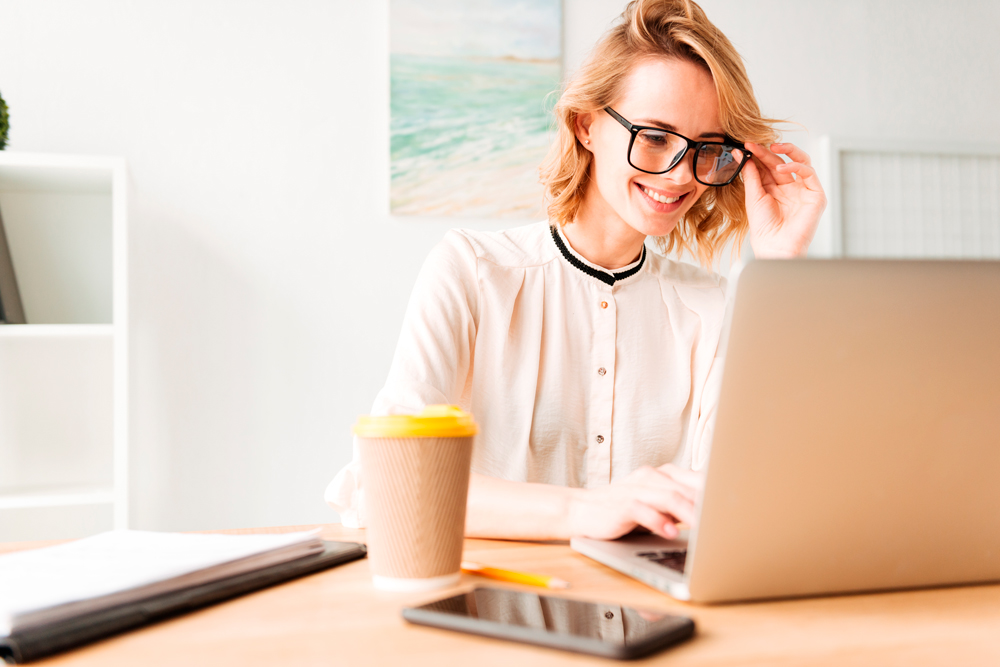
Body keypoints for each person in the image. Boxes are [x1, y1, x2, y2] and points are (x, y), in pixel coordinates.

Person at [327, 0, 825, 541]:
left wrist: (780, 263)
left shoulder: (711, 306)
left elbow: (746, 492)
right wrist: (582, 511)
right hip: (494, 606)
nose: (682, 174)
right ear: (586, 125)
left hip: (659, 609)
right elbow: (390, 483)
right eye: (655, 137)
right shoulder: (473, 271)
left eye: (707, 148)